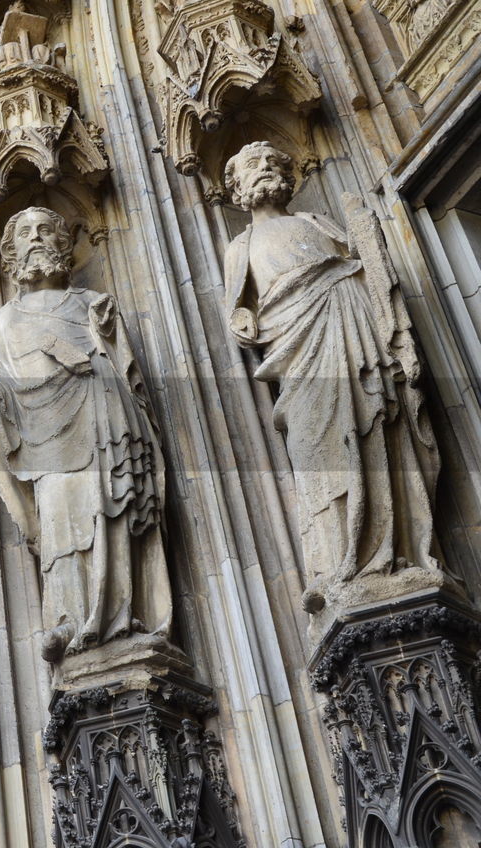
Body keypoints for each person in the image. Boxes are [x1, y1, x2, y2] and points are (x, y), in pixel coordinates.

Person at [223, 141, 441, 610]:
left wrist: (367, 257)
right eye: (253, 165)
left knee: (378, 431)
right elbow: (240, 314)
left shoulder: (317, 223)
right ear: (237, 188)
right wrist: (242, 322)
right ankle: (337, 560)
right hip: (302, 355)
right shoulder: (239, 248)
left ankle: (396, 551)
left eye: (272, 162)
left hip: (354, 336)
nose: (264, 169)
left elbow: (366, 272)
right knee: (317, 449)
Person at [0, 207, 172, 661]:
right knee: (62, 516)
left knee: (111, 509)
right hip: (45, 435)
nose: (37, 238)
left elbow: (126, 371)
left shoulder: (90, 303)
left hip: (102, 420)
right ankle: (68, 617)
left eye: (47, 229)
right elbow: (2, 377)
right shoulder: (5, 320)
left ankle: (124, 615)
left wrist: (108, 337)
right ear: (11, 253)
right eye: (25, 233)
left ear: (65, 245)